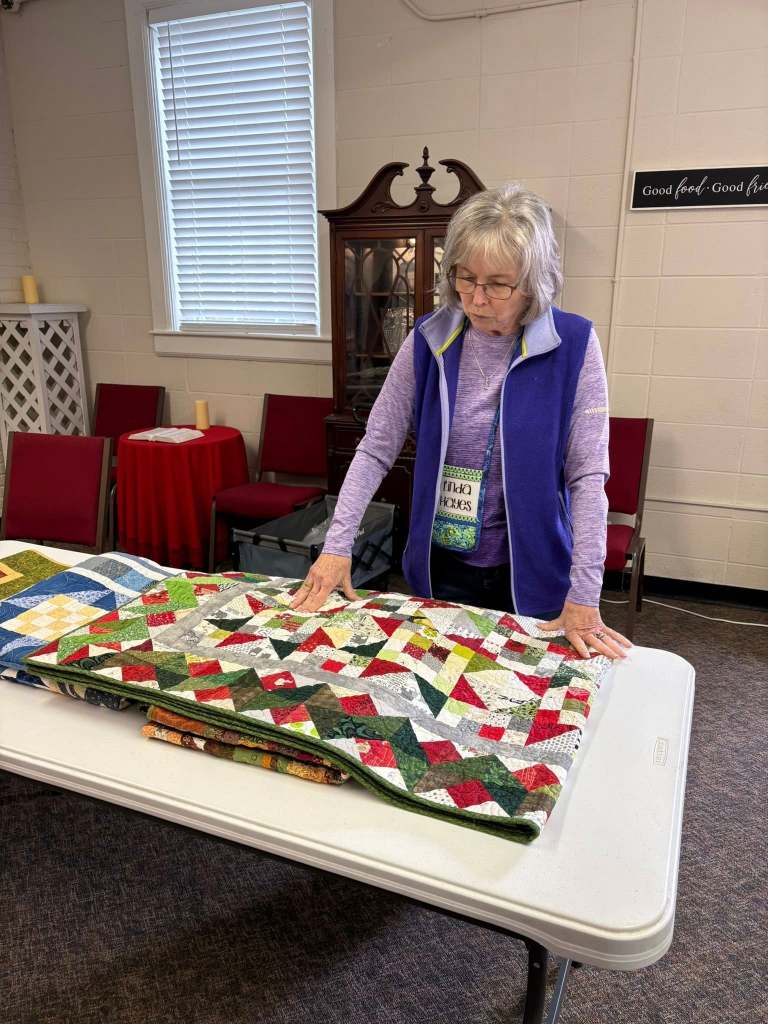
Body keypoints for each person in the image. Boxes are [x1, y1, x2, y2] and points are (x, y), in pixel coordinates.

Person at [292, 183, 630, 661]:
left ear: (533, 282)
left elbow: (587, 476)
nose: (476, 298)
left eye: (498, 284)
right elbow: (375, 448)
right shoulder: (430, 338)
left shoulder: (572, 344)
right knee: (434, 680)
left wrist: (585, 593)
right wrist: (336, 545)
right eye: (465, 278)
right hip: (441, 566)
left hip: (532, 571)